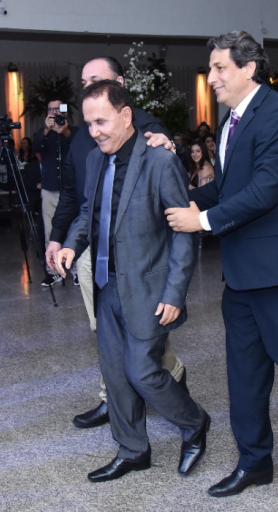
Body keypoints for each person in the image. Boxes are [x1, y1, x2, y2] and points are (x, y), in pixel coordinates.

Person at [164, 31, 278, 497]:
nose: (211, 77)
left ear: (248, 68)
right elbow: (228, 188)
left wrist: (201, 221)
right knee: (244, 373)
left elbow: (264, 191)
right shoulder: (230, 120)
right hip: (242, 272)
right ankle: (254, 462)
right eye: (211, 68)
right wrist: (182, 201)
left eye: (220, 68)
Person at [54, 80, 209, 482]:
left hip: (149, 290)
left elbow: (183, 232)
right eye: (89, 123)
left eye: (101, 122)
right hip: (107, 286)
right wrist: (71, 245)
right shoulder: (95, 160)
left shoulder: (159, 161)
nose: (94, 131)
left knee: (142, 372)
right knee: (115, 375)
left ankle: (194, 422)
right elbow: (88, 212)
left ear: (126, 116)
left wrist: (175, 293)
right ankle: (133, 449)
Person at [44, 56, 185, 431]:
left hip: (139, 261)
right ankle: (119, 407)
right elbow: (77, 197)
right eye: (83, 83)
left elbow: (175, 201)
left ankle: (171, 389)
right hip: (95, 256)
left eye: (96, 80)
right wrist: (60, 239)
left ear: (119, 87)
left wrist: (170, 146)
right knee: (106, 336)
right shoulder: (85, 140)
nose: (88, 88)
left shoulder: (149, 131)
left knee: (144, 346)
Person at [34, 99, 75, 286]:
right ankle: (54, 271)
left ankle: (77, 271)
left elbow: (79, 146)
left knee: (75, 228)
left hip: (70, 188)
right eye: (51, 110)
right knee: (50, 230)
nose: (55, 112)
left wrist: (64, 131)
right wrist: (47, 129)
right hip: (50, 188)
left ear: (64, 112)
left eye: (58, 109)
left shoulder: (73, 132)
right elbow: (35, 148)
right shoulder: (43, 133)